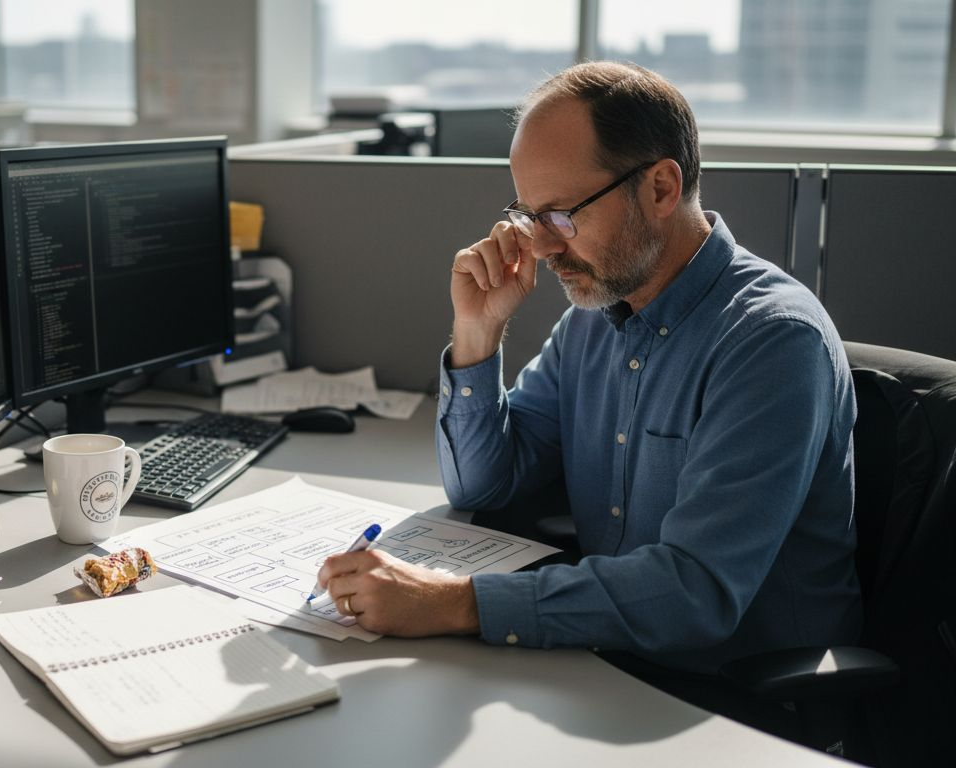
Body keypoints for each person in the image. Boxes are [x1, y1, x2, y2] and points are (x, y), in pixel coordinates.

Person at [317, 62, 862, 678]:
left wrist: (453, 602)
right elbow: (482, 487)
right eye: (530, 217)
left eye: (561, 215)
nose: (543, 247)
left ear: (661, 189)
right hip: (608, 664)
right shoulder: (595, 320)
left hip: (732, 695)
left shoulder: (771, 342)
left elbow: (694, 593)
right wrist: (477, 330)